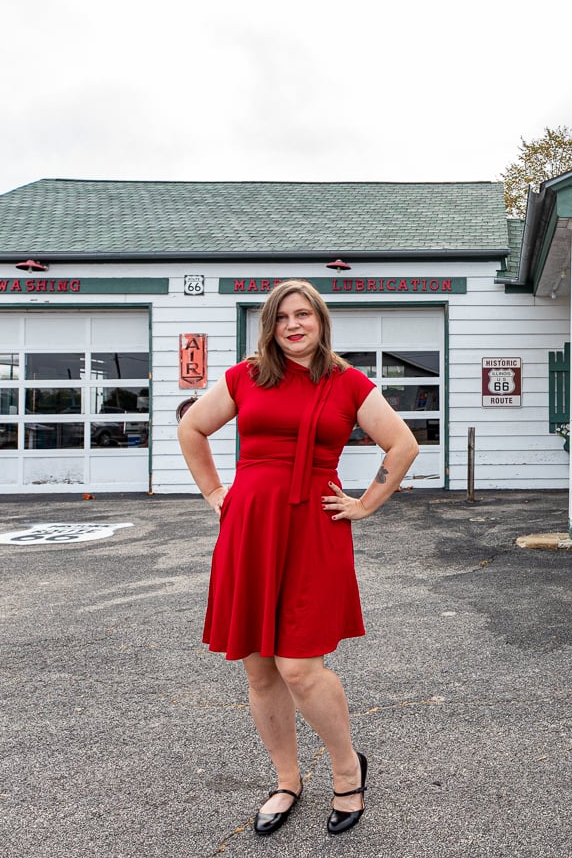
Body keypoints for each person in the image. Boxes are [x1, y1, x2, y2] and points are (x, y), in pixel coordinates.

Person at [178, 279, 418, 838]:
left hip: (312, 528)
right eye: (282, 316)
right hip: (251, 530)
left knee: (299, 667)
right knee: (259, 667)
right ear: (271, 324)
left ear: (319, 321)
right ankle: (287, 781)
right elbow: (192, 427)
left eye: (303, 314)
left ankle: (346, 768)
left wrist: (365, 504)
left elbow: (402, 444)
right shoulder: (246, 376)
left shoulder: (347, 382)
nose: (293, 325)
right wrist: (216, 493)